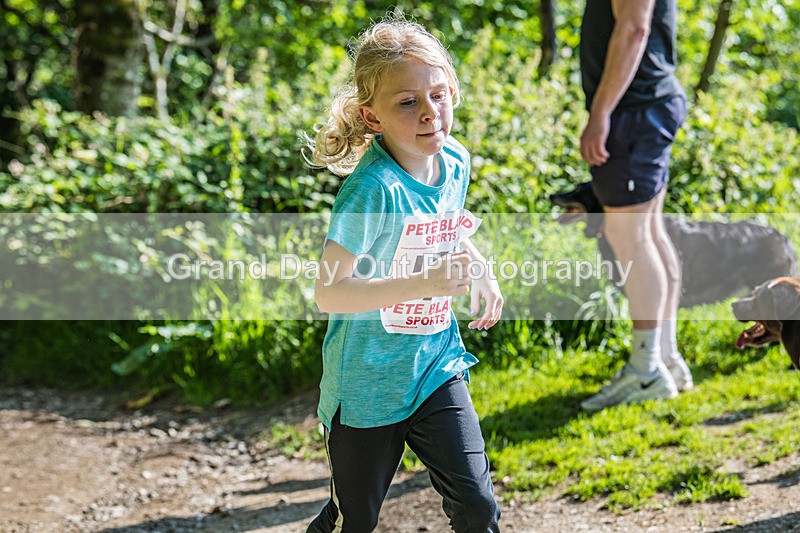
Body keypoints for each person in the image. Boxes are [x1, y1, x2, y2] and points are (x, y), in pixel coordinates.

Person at [304, 17, 503, 532]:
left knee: (478, 507)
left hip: (435, 365)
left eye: (438, 94)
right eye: (407, 102)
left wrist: (477, 265)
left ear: (453, 91)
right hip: (366, 387)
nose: (429, 113)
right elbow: (329, 293)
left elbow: (444, 227)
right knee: (354, 522)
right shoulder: (371, 192)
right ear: (372, 117)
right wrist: (424, 284)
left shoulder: (454, 161)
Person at [578, 0, 693, 412]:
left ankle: (646, 369)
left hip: (633, 113)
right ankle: (665, 358)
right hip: (643, 109)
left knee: (629, 235)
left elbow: (634, 30)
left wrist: (601, 113)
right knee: (649, 232)